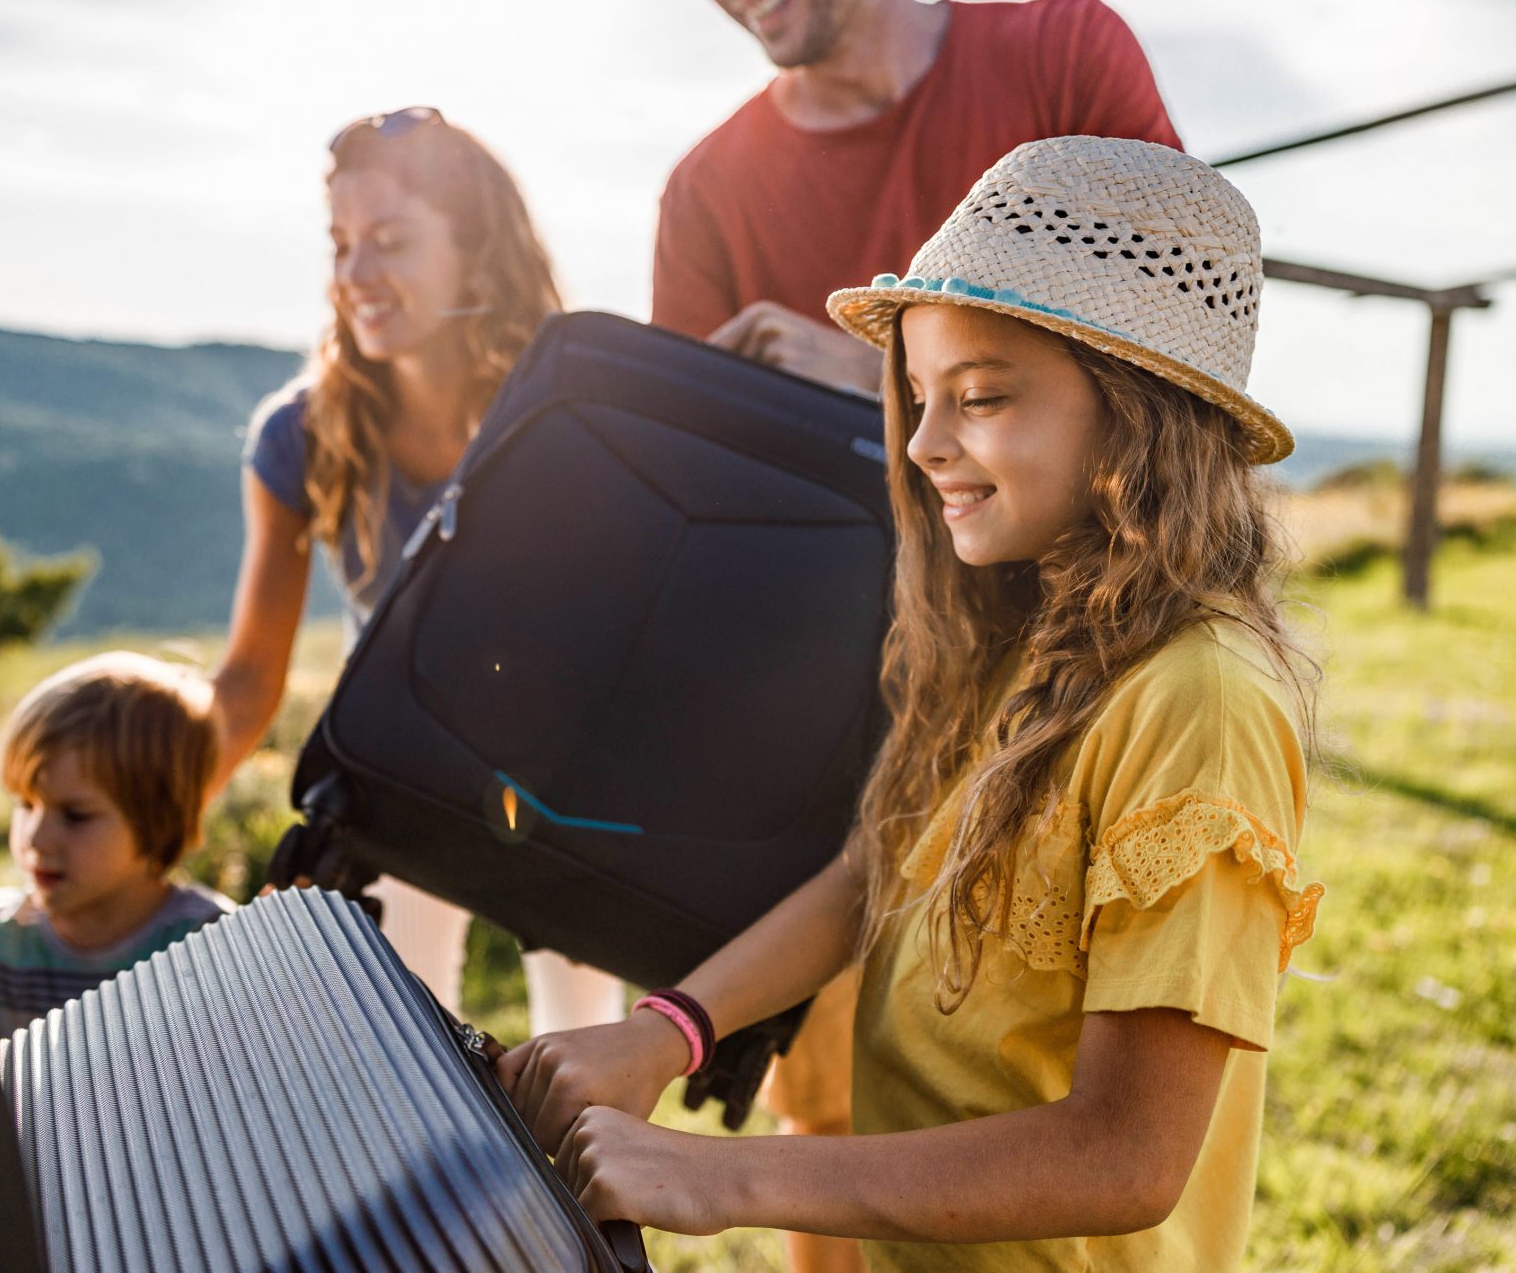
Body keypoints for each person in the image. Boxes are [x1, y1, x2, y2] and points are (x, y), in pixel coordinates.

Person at [498, 136, 1324, 1271]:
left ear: (1139, 419)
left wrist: (721, 1174)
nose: (925, 445)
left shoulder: (1199, 702)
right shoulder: (1020, 632)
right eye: (920, 398)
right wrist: (667, 1033)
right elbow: (875, 870)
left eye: (980, 399)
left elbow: (1124, 1155)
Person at [649, 0, 1181, 1264]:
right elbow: (700, 526)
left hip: (1091, 680)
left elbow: (1167, 355)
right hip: (847, 724)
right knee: (838, 1121)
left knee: (1071, 1080)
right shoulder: (706, 191)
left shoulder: (1062, 56)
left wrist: (868, 391)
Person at [209, 108, 623, 1035]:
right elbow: (247, 678)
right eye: (341, 245)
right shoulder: (299, 436)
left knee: (585, 1075)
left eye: (388, 242)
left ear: (476, 252)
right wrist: (153, 807)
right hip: (395, 776)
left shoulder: (578, 419)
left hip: (570, 783)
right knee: (390, 1057)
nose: (355, 277)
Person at [651, 0, 1180, 397]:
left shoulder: (1066, 58)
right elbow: (678, 455)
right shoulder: (700, 193)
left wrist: (889, 374)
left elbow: (1177, 346)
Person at [0, 651, 231, 1038]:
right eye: (26, 805)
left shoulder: (212, 947)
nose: (35, 839)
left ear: (158, 821)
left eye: (75, 816)